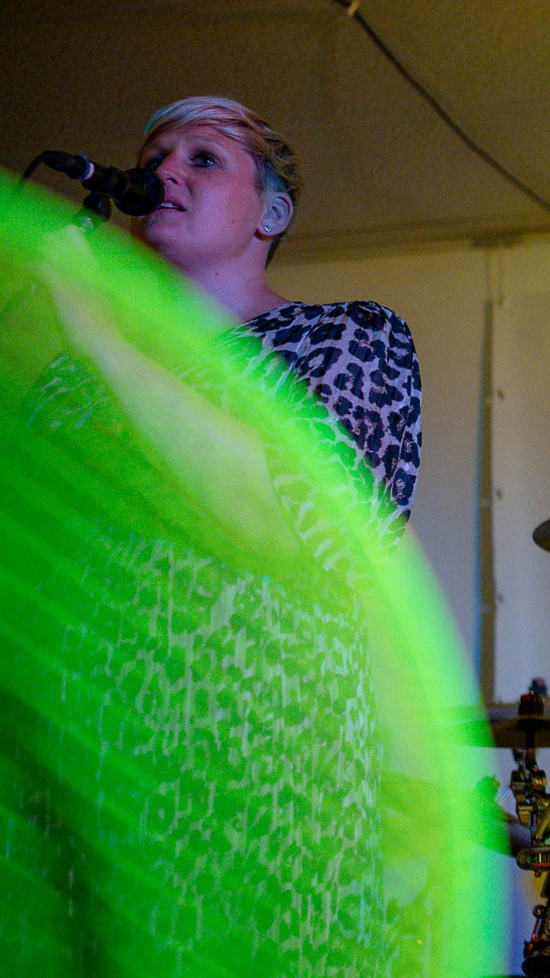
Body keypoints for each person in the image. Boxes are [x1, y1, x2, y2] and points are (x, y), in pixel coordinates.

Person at [19, 95, 422, 973]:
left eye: (203, 157)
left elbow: (293, 525)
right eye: (154, 156)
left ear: (271, 212)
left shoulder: (347, 337)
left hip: (257, 794)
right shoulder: (66, 382)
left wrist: (98, 331)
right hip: (77, 798)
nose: (164, 169)